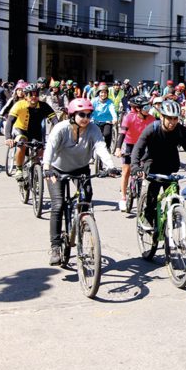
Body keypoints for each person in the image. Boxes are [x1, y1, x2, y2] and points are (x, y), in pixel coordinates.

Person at [43, 98, 117, 265]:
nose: (86, 118)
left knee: (86, 198)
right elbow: (50, 148)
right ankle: (55, 247)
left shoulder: (93, 129)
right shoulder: (61, 129)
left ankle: (84, 224)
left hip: (81, 169)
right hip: (57, 169)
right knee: (58, 204)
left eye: (89, 115)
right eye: (81, 114)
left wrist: (110, 166)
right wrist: (46, 168)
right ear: (71, 115)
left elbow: (101, 147)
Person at [131, 100, 186, 231]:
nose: (173, 122)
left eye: (175, 119)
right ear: (162, 116)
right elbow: (138, 148)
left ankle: (172, 220)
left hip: (171, 166)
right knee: (152, 199)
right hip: (153, 167)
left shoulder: (180, 131)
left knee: (175, 200)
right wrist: (135, 166)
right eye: (169, 118)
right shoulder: (152, 129)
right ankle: (147, 218)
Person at [5, 84, 59, 181]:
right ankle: (19, 169)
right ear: (26, 96)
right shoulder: (19, 105)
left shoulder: (44, 106)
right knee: (22, 144)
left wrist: (59, 133)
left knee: (39, 153)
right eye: (31, 95)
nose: (34, 97)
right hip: (20, 130)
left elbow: (54, 120)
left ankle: (35, 172)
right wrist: (8, 137)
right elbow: (10, 121)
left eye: (36, 95)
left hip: (36, 132)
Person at [114, 95, 155, 210]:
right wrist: (117, 149)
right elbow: (122, 134)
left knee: (147, 170)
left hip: (144, 146)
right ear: (138, 109)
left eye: (149, 106)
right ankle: (123, 197)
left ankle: (145, 196)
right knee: (126, 171)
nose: (148, 109)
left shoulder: (152, 119)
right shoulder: (129, 117)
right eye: (145, 107)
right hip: (130, 145)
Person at [91, 84, 118, 151]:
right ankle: (91, 154)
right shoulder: (94, 100)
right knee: (92, 136)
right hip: (95, 121)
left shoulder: (110, 102)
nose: (103, 94)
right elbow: (90, 109)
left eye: (105, 92)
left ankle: (107, 148)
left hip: (107, 121)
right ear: (99, 93)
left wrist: (115, 118)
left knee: (107, 134)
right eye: (102, 92)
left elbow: (112, 110)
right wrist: (88, 117)